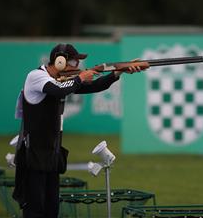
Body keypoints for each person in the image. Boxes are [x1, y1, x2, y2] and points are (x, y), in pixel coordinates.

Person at [12, 43, 144, 218]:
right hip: (34, 154)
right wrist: (80, 78)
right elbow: (57, 90)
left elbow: (95, 86)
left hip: (51, 154)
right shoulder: (36, 76)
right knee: (35, 210)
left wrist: (118, 72)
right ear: (59, 61)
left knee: (51, 209)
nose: (77, 66)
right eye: (74, 62)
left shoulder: (63, 80)